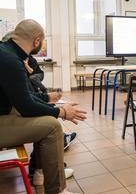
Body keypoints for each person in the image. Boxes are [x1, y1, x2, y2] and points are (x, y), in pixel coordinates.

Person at [0, 19, 86, 194]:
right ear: (37, 41)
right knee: (52, 126)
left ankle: (40, 173)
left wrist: (47, 98)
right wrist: (61, 112)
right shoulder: (11, 61)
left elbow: (24, 96)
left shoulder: (6, 52)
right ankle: (57, 190)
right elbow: (26, 107)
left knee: (45, 119)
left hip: (5, 112)